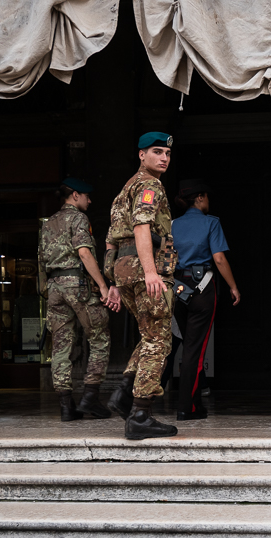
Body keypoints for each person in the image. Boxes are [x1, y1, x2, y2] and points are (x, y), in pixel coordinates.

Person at [104, 132, 179, 440]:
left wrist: (114, 282)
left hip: (124, 269)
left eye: (167, 153)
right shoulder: (149, 185)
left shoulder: (123, 191)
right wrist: (151, 272)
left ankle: (124, 394)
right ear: (141, 155)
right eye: (157, 151)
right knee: (159, 341)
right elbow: (141, 226)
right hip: (145, 268)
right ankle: (140, 414)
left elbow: (110, 239)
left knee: (149, 335)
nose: (164, 157)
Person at [38, 177, 120, 421]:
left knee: (61, 347)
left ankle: (66, 406)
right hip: (77, 284)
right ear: (75, 195)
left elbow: (41, 261)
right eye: (86, 196)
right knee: (99, 337)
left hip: (54, 287)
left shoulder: (48, 222)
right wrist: (103, 286)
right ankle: (90, 396)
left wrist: (46, 290)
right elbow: (84, 252)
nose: (89, 200)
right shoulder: (78, 218)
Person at [169, 179, 240, 420]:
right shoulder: (211, 222)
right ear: (199, 197)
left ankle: (195, 404)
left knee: (188, 347)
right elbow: (219, 259)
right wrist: (233, 286)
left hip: (178, 290)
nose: (208, 201)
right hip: (203, 289)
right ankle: (186, 406)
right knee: (195, 351)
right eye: (207, 196)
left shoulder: (172, 225)